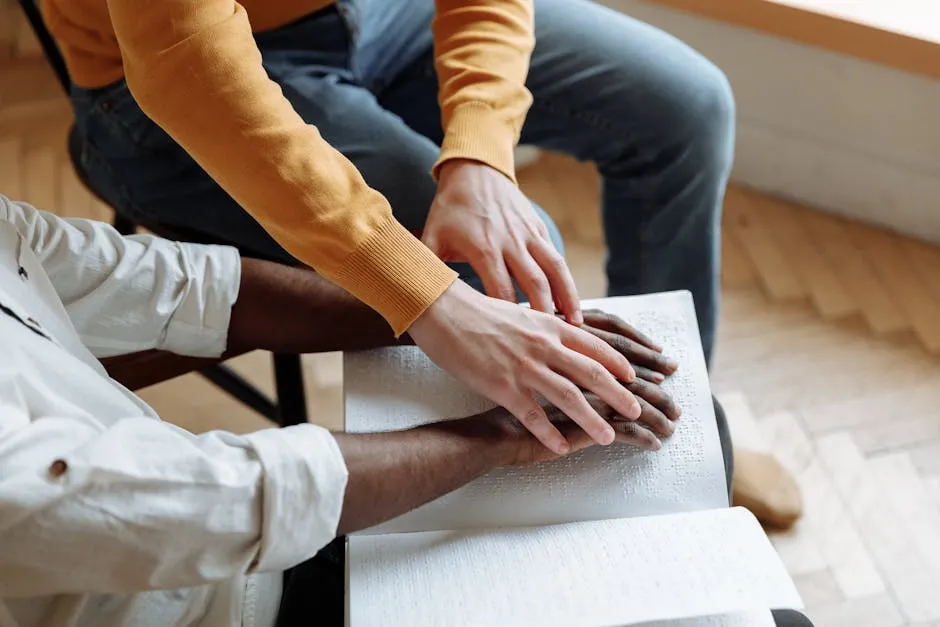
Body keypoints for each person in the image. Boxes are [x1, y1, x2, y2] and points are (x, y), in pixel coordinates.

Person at [44, 0, 799, 525]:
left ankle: (675, 439)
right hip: (157, 91)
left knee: (689, 108)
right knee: (499, 268)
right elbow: (186, 61)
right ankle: (544, 510)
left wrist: (481, 153)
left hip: (371, 15)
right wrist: (430, 299)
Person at [0, 195, 815, 626]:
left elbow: (188, 288)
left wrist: (450, 313)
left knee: (683, 416)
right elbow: (209, 503)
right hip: (231, 599)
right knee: (768, 618)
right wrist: (493, 437)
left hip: (262, 534)